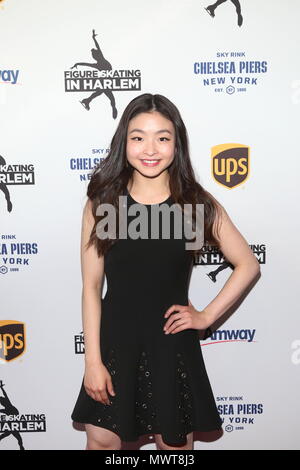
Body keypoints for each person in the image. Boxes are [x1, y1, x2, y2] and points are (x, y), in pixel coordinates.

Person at [70, 93, 260, 450]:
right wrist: (92, 361)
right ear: (123, 142)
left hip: (171, 346)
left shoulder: (194, 204)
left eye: (163, 137)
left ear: (177, 144)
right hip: (115, 345)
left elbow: (247, 263)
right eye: (138, 137)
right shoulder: (103, 203)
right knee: (103, 444)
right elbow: (91, 288)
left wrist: (206, 316)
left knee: (173, 450)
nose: (150, 148)